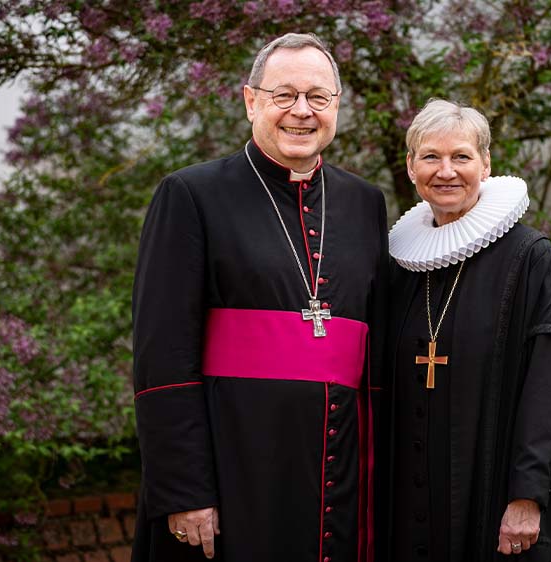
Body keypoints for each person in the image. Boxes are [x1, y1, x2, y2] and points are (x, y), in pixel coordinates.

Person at [131, 33, 388, 561]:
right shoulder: (191, 195)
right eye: (284, 95)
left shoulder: (365, 203)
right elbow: (163, 360)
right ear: (251, 101)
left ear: (337, 105)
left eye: (318, 97)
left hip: (340, 469)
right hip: (235, 470)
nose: (302, 111)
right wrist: (184, 489)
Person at [384, 99, 551, 562]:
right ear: (411, 166)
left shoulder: (533, 260)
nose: (446, 171)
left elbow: (547, 387)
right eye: (430, 157)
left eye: (461, 156)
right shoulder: (399, 267)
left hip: (495, 491)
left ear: (486, 164)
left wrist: (526, 495)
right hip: (411, 495)